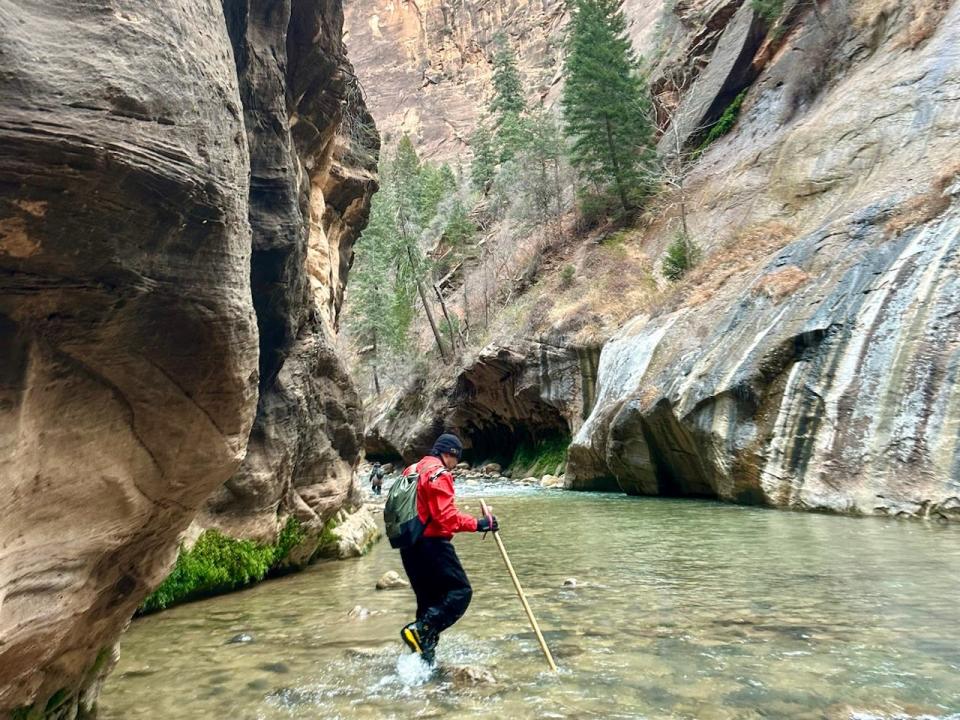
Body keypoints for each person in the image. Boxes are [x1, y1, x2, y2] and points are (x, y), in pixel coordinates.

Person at [399, 432, 498, 664]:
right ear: (450, 454)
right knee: (460, 593)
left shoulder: (412, 469)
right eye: (456, 458)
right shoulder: (438, 474)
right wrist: (480, 524)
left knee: (429, 603)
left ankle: (423, 663)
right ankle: (420, 630)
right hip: (432, 545)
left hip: (409, 546)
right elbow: (445, 518)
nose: (455, 465)